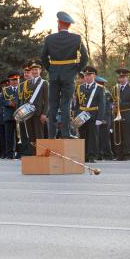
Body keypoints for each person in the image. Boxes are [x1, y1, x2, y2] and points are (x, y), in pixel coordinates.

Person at [41, 11, 88, 139]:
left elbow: (43, 57)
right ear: (68, 25)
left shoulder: (49, 38)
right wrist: (76, 70)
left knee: (53, 103)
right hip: (69, 75)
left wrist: (51, 69)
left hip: (54, 75)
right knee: (66, 104)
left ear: (59, 24)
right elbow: (85, 57)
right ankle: (66, 134)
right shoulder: (76, 38)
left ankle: (51, 135)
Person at [74, 66, 105, 163]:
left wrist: (100, 118)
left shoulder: (100, 88)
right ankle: (84, 155)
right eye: (86, 75)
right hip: (82, 114)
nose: (87, 77)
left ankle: (92, 155)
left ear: (94, 75)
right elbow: (77, 104)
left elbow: (102, 104)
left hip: (93, 114)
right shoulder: (80, 87)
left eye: (89, 75)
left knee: (93, 136)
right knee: (82, 135)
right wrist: (76, 116)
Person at [21, 60, 49, 154]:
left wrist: (44, 114)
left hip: (38, 113)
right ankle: (34, 153)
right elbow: (25, 99)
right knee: (31, 135)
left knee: (39, 135)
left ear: (40, 70)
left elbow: (47, 100)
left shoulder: (44, 83)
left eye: (36, 69)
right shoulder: (28, 83)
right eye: (32, 70)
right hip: (28, 113)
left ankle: (40, 153)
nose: (34, 71)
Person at [112, 69, 130, 161]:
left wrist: (120, 104)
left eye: (123, 77)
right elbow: (112, 100)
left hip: (126, 113)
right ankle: (119, 154)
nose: (121, 79)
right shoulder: (115, 88)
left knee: (127, 135)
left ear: (127, 78)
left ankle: (127, 154)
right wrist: (113, 105)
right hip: (117, 114)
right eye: (120, 77)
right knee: (118, 134)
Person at [0, 71, 19, 159]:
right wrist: (9, 103)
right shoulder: (5, 90)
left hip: (20, 115)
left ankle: (20, 153)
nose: (15, 82)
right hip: (8, 116)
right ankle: (10, 154)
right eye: (13, 80)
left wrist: (16, 103)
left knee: (19, 136)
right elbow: (0, 101)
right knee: (9, 136)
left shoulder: (22, 88)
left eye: (16, 80)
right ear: (9, 81)